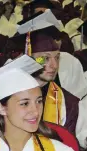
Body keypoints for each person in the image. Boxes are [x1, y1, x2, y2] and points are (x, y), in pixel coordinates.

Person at [12, 12, 86, 141]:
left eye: (57, 58)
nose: (54, 65)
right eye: (45, 58)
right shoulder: (8, 96)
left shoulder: (69, 104)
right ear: (28, 59)